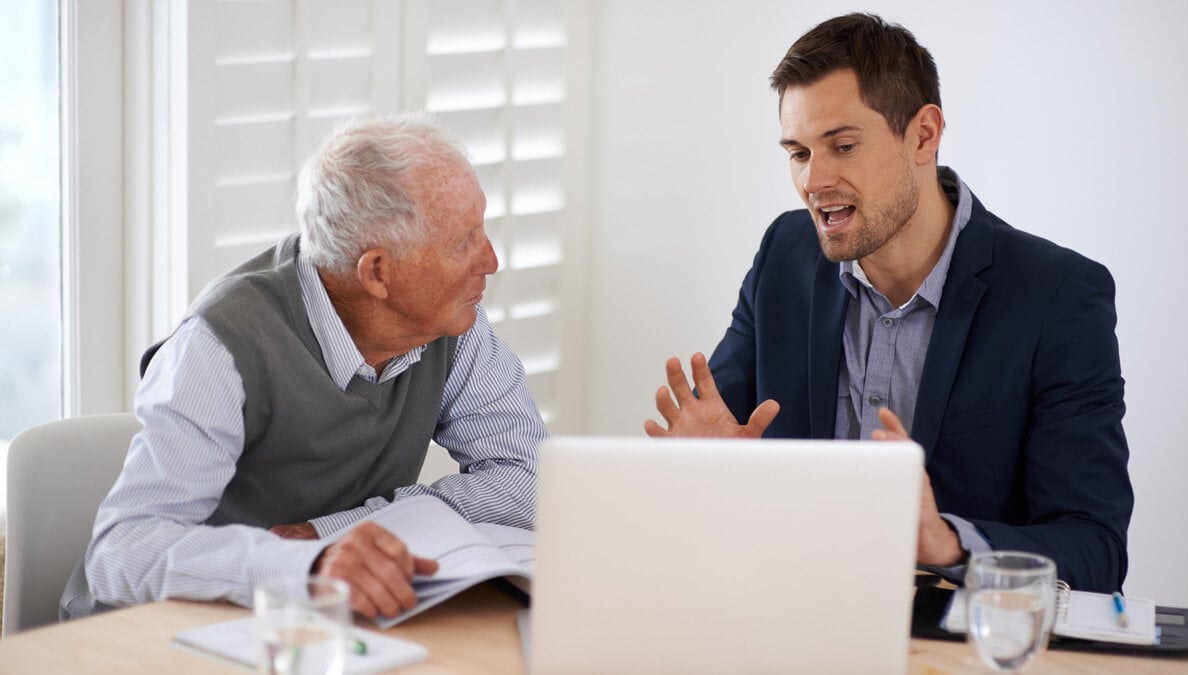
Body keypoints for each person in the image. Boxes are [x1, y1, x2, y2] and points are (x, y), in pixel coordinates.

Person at [645, 13, 1132, 593]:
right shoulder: (785, 255)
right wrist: (700, 475)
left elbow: (1095, 547)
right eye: (798, 152)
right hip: (790, 613)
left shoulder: (1056, 296)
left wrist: (943, 541)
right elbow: (725, 440)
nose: (813, 180)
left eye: (843, 145)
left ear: (924, 135)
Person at [62, 113, 547, 620]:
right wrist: (304, 566)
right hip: (164, 628)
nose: (490, 260)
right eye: (462, 242)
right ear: (377, 272)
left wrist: (332, 533)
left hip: (317, 618)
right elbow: (122, 554)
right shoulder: (221, 345)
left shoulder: (449, 325)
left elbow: (529, 479)